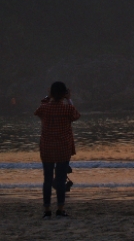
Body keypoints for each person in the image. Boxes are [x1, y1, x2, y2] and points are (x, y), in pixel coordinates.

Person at [34, 82, 80, 218]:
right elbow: (76, 115)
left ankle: (47, 211)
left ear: (52, 93)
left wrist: (48, 97)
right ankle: (60, 209)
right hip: (63, 148)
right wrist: (69, 99)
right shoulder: (67, 109)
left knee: (47, 180)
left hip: (47, 147)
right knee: (60, 180)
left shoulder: (44, 108)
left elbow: (37, 111)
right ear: (64, 94)